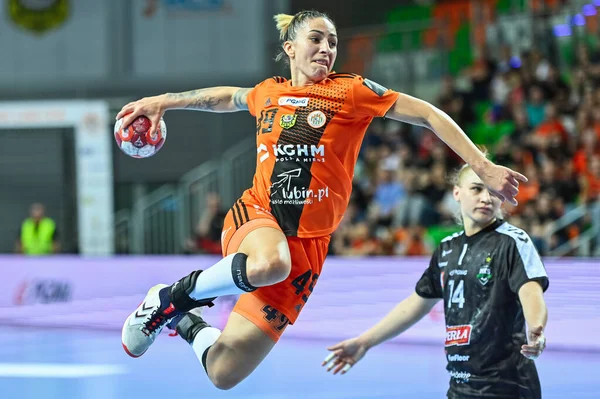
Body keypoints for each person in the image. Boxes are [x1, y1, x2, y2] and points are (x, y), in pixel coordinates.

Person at [118, 10, 527, 390]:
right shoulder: (268, 94)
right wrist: (165, 100)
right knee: (270, 263)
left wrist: (482, 164)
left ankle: (180, 317)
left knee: (224, 372)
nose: (327, 49)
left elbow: (428, 114)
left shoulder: (351, 92)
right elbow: (226, 96)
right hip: (258, 218)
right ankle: (172, 299)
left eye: (332, 42)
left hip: (309, 247)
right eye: (316, 39)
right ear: (290, 48)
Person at [322, 161, 549, 399]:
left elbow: (531, 293)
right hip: (460, 387)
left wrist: (536, 329)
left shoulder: (512, 241)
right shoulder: (447, 248)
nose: (486, 198)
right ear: (457, 193)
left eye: (493, 191)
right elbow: (416, 304)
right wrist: (364, 342)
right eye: (477, 189)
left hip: (508, 388)